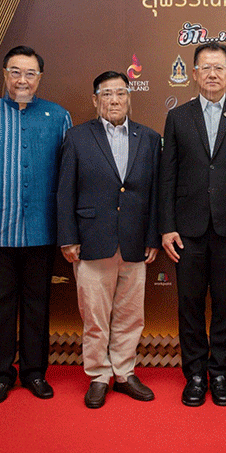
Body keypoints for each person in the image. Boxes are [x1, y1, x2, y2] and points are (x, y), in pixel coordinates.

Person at [0, 45, 71, 404]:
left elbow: (69, 176)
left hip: (43, 228)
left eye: (30, 73)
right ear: (5, 74)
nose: (23, 80)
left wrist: (67, 229)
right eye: (16, 72)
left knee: (38, 303)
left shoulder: (58, 117)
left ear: (40, 77)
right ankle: (0, 375)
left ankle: (35, 373)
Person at [159, 42, 226, 407]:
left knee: (225, 305)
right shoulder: (177, 117)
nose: (212, 74)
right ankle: (194, 375)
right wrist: (167, 226)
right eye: (205, 67)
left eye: (219, 67)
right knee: (189, 305)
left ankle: (220, 373)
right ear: (194, 73)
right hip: (186, 230)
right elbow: (167, 176)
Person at [57, 71, 161, 409]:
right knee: (95, 317)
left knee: (131, 315)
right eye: (106, 94)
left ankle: (124, 372)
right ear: (95, 100)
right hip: (92, 239)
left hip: (135, 241)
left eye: (120, 93)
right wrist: (68, 237)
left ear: (129, 97)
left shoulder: (149, 138)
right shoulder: (77, 137)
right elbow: (65, 191)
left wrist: (152, 236)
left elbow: (155, 193)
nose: (114, 100)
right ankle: (99, 375)